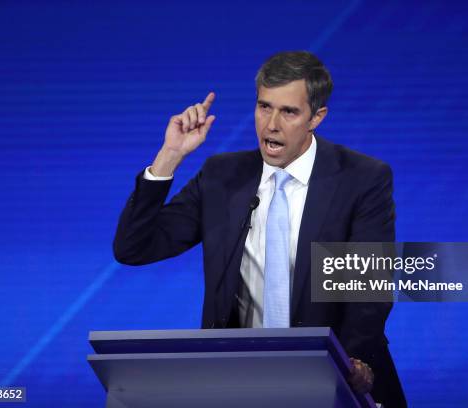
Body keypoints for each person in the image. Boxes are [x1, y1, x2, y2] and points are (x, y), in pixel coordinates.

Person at [114, 51, 406, 407]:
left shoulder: (360, 179)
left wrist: (353, 362)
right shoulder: (223, 176)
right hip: (238, 381)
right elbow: (134, 247)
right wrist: (169, 156)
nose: (271, 125)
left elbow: (366, 290)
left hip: (335, 381)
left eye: (289, 112)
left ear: (316, 117)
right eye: (264, 107)